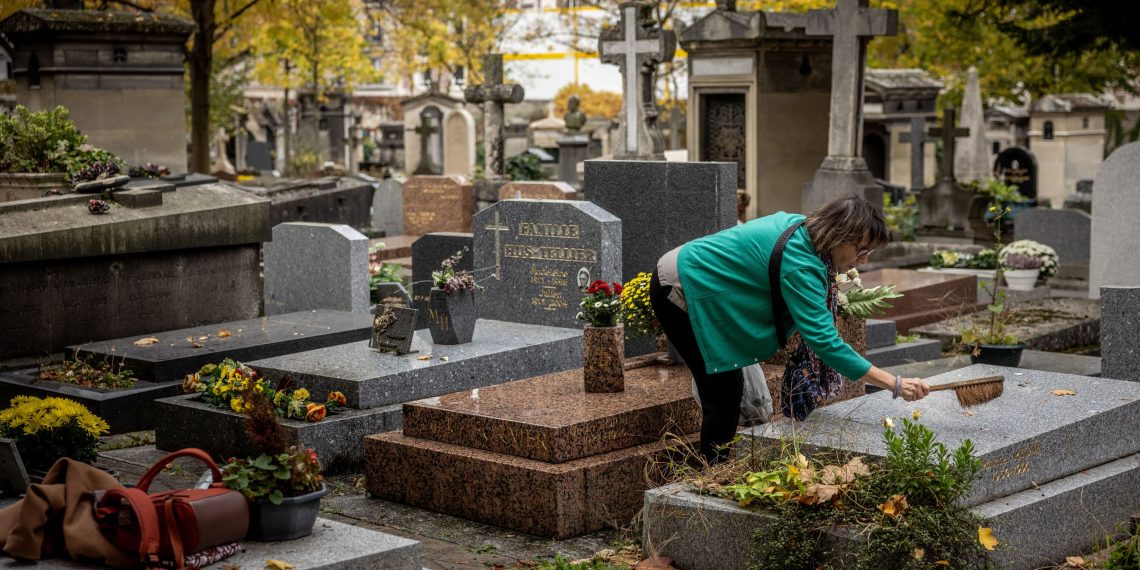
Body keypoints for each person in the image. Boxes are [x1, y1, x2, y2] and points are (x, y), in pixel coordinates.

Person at [650, 194, 931, 463]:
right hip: (680, 288)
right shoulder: (801, 265)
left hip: (704, 286)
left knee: (730, 388)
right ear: (839, 235)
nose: (864, 261)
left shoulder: (806, 232)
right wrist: (894, 383)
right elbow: (825, 342)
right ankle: (713, 477)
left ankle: (719, 466)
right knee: (724, 393)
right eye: (862, 250)